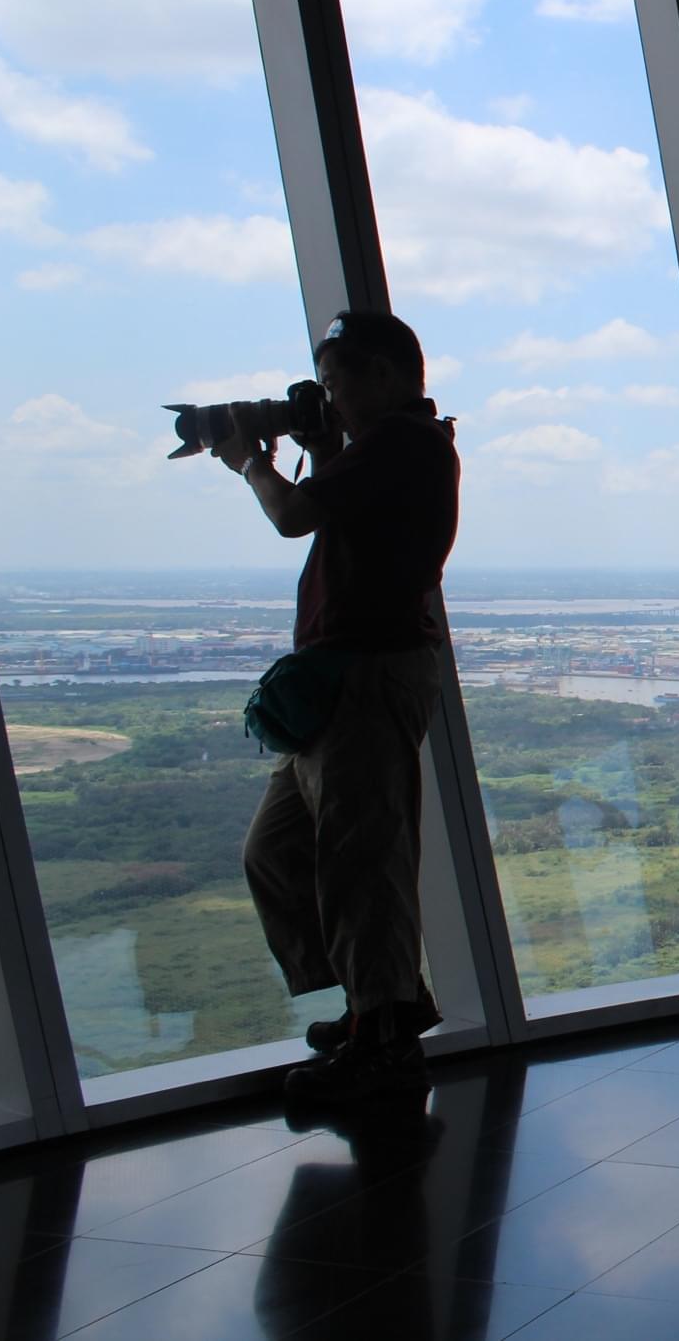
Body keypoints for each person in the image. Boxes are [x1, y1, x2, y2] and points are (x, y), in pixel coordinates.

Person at [213, 311, 459, 1108]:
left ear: (387, 374)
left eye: (339, 380)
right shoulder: (384, 454)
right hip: (343, 677)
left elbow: (293, 517)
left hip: (369, 675)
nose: (332, 397)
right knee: (277, 850)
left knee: (361, 866)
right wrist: (319, 445)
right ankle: (376, 1005)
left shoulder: (405, 444)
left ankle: (382, 1041)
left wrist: (249, 459)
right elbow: (344, 510)